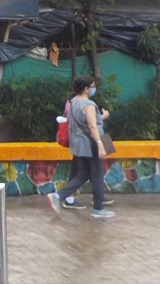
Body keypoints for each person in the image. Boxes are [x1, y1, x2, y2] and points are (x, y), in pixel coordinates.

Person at [47, 76, 115, 219]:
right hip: (90, 144)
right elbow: (91, 126)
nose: (94, 89)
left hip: (78, 144)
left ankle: (58, 196)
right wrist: (100, 145)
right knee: (96, 175)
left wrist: (101, 118)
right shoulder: (88, 105)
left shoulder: (72, 102)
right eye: (92, 86)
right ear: (86, 89)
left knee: (83, 174)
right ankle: (98, 208)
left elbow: (82, 122)